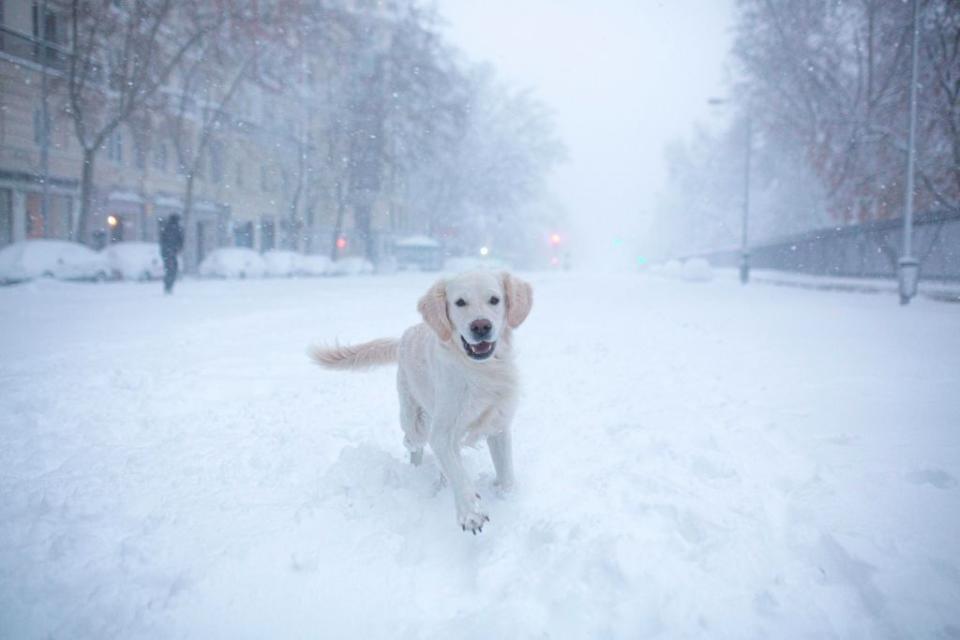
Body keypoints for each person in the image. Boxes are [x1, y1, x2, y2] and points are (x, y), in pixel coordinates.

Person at [160, 214, 184, 294]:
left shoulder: (166, 228)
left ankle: (167, 286)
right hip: (172, 252)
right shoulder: (177, 229)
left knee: (169, 269)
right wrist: (178, 249)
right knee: (173, 270)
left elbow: (162, 241)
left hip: (166, 253)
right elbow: (180, 241)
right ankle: (169, 286)